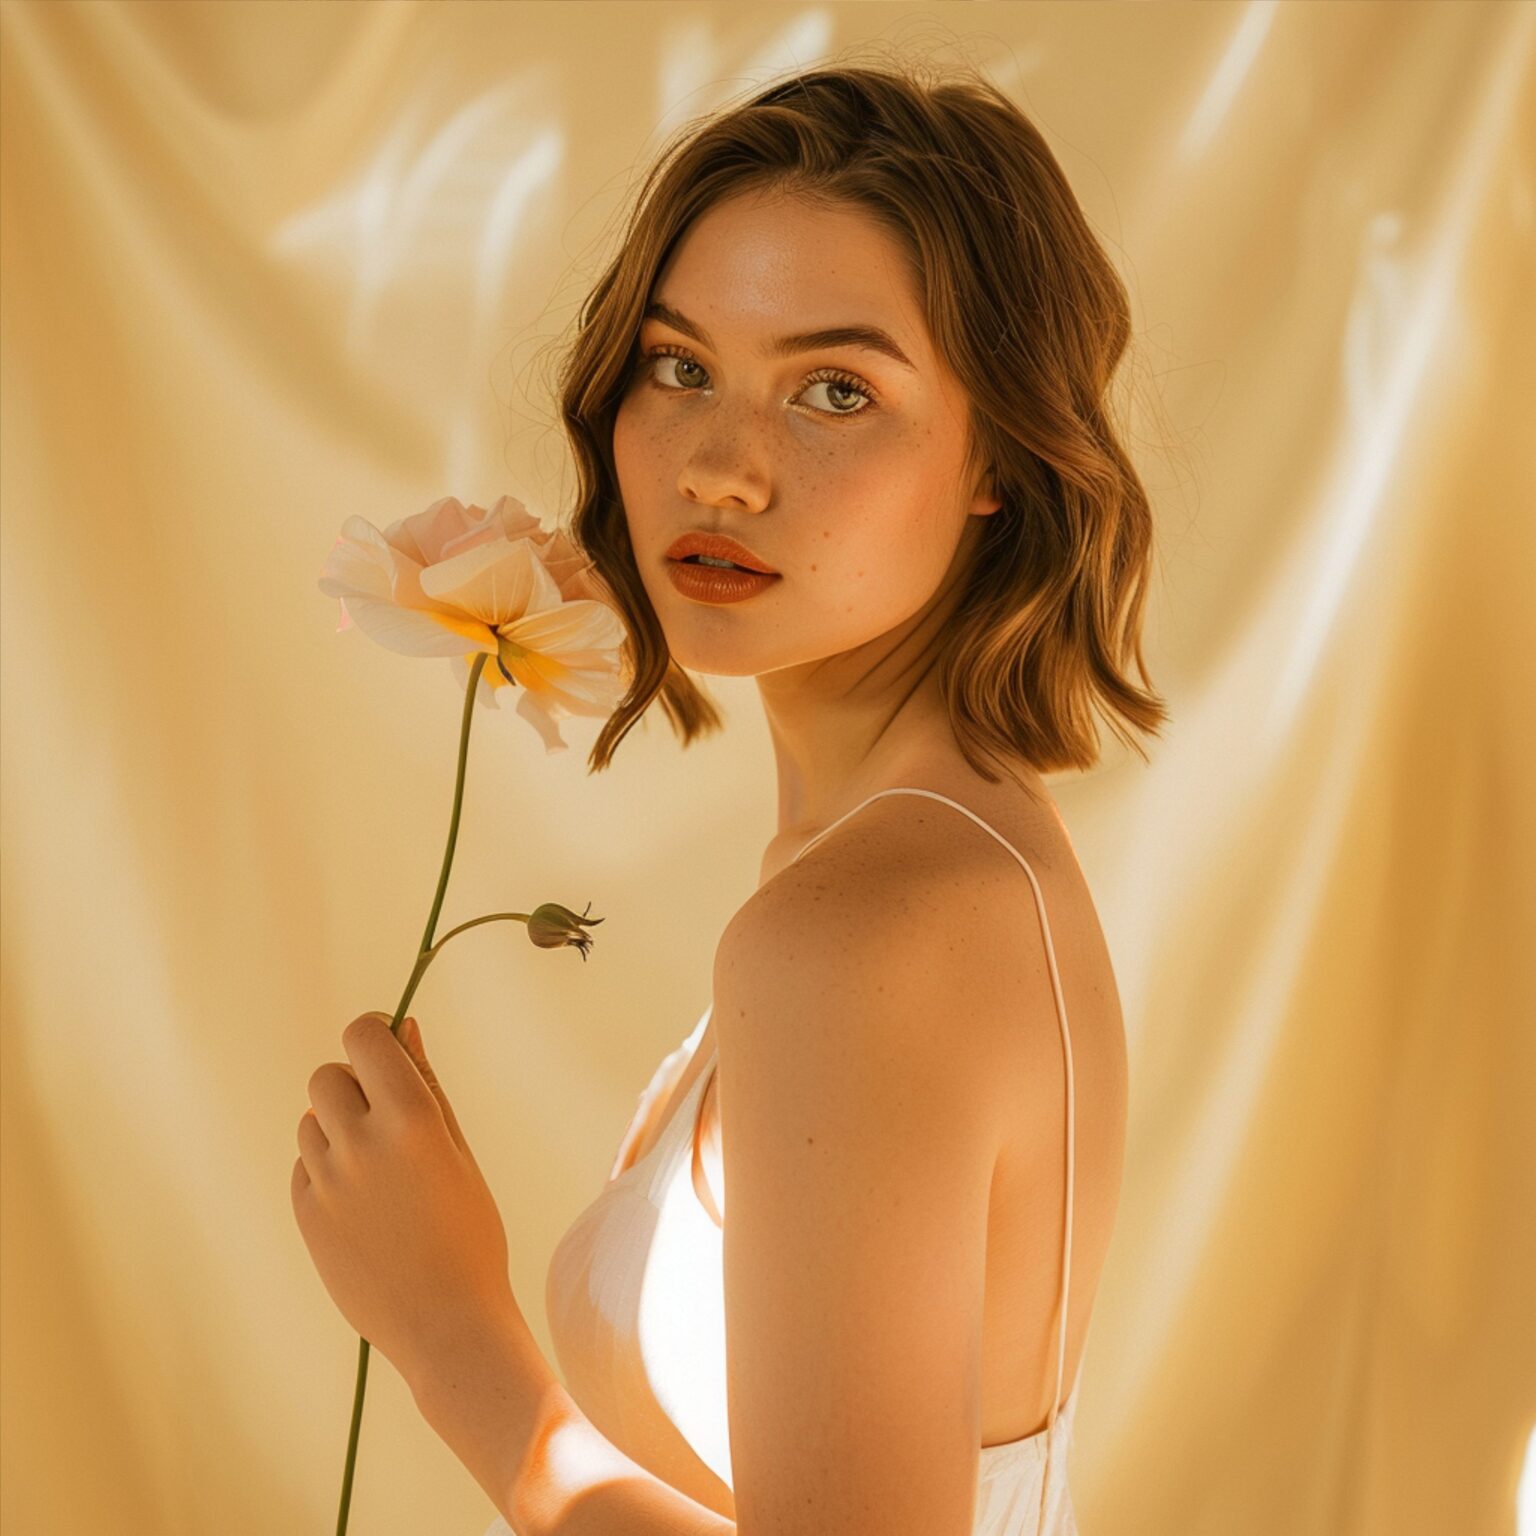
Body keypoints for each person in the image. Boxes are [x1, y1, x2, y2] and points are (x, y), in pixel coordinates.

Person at [498, 53, 1165, 1536]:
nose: (722, 469)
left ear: (999, 454)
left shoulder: (868, 935)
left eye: (835, 391)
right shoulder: (952, 864)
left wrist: (454, 1347)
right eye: (679, 366)